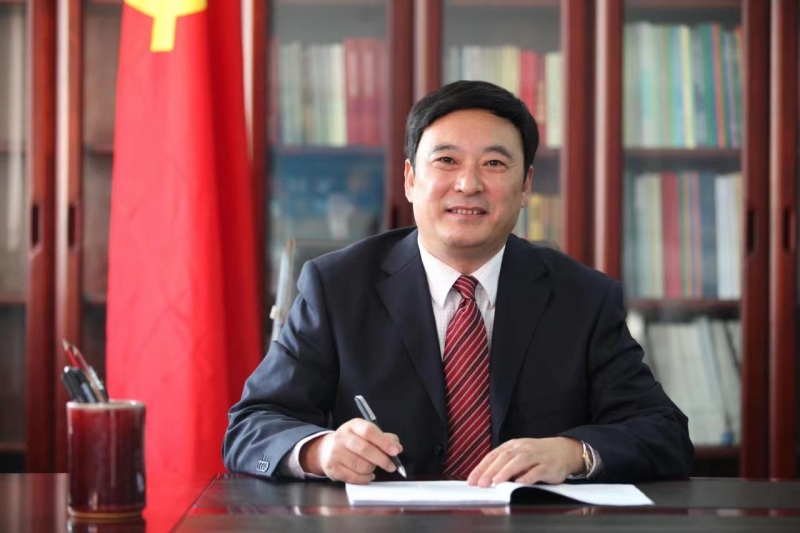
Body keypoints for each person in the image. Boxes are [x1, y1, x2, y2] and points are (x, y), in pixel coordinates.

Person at [223, 80, 694, 485]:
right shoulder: (336, 287)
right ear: (410, 179)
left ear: (526, 186)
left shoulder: (583, 298)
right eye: (446, 160)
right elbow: (251, 427)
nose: (468, 184)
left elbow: (665, 433)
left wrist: (572, 452)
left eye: (494, 164)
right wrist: (320, 451)